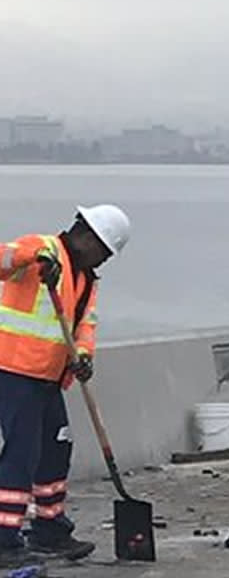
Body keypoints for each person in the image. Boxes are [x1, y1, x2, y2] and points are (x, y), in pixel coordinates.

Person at [0, 205, 130, 567]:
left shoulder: (86, 278)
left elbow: (85, 323)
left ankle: (49, 528)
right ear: (88, 237)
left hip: (49, 378)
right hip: (14, 371)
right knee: (21, 453)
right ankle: (4, 537)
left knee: (56, 449)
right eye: (103, 252)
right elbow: (2, 260)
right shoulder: (43, 249)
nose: (103, 261)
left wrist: (84, 356)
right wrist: (33, 257)